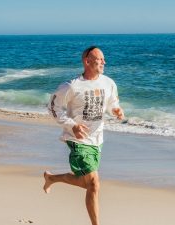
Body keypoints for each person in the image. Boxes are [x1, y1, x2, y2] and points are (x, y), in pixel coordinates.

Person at [43, 46, 124, 225]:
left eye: (104, 59)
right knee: (94, 184)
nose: (104, 62)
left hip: (97, 139)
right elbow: (52, 107)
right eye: (99, 59)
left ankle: (52, 178)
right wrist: (72, 126)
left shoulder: (109, 83)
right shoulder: (72, 86)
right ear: (87, 61)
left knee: (86, 183)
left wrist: (116, 110)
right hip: (77, 140)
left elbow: (112, 102)